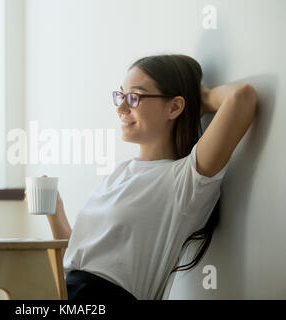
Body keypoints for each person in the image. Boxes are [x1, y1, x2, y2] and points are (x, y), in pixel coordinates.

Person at [32, 54, 258, 300]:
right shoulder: (120, 172)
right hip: (65, 291)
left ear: (173, 107)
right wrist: (56, 212)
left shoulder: (185, 179)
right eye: (120, 95)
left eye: (134, 97)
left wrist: (198, 98)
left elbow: (242, 96)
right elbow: (79, 262)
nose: (120, 108)